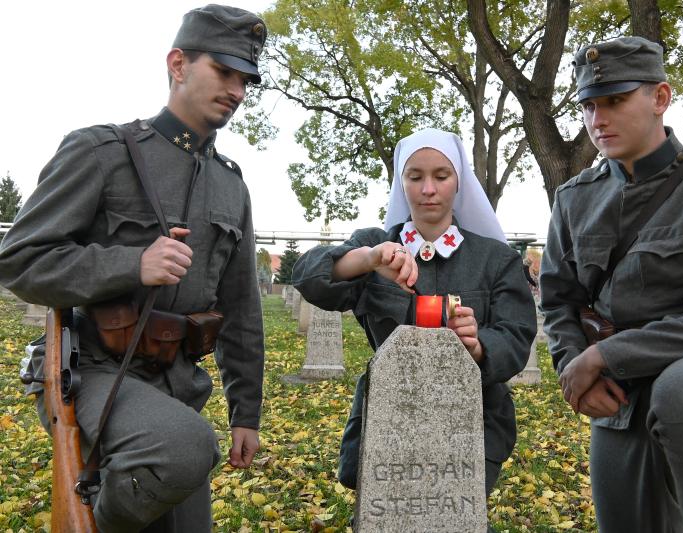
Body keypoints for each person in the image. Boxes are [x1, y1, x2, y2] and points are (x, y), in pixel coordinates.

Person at [0, 5, 266, 531]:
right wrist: (131, 264)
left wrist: (247, 413)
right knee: (187, 446)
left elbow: (240, 307)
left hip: (179, 386)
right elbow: (20, 259)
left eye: (246, 79)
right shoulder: (103, 153)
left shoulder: (231, 186)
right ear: (178, 63)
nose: (237, 90)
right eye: (224, 71)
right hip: (96, 371)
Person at [539, 36, 683, 532]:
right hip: (621, 394)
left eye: (616, 101)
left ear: (661, 98)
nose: (598, 119)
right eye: (588, 105)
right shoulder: (574, 199)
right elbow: (560, 299)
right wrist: (572, 366)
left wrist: (603, 355)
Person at [292, 128, 536, 502]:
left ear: (459, 182)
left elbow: (516, 335)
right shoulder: (376, 245)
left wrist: (478, 347)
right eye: (415, 177)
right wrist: (369, 260)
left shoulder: (496, 259)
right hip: (387, 420)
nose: (428, 189)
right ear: (400, 183)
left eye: (441, 176)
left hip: (474, 422)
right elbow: (309, 277)